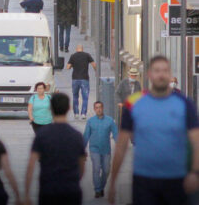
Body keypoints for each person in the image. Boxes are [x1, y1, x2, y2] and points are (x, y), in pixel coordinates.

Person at [108, 56, 199, 205]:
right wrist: (112, 182)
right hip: (144, 180)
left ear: (170, 74)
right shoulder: (133, 103)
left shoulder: (185, 103)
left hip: (176, 179)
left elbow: (196, 141)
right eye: (157, 71)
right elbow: (122, 144)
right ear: (149, 74)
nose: (161, 75)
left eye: (165, 71)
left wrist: (195, 173)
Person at [25, 93, 86, 205]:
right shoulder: (76, 135)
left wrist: (26, 194)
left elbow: (31, 165)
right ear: (69, 108)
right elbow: (82, 167)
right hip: (71, 190)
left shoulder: (42, 135)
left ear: (51, 108)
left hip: (48, 189)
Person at [83, 101, 118, 198]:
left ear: (103, 108)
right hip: (94, 149)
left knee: (106, 170)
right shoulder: (90, 121)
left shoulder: (110, 121)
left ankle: (102, 186)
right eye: (96, 108)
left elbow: (115, 134)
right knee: (96, 168)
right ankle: (97, 190)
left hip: (106, 150)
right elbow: (86, 135)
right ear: (94, 109)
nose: (99, 109)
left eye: (100, 107)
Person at [67, 44, 97, 120]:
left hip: (75, 79)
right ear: (82, 49)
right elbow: (94, 64)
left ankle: (76, 113)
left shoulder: (73, 56)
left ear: (76, 49)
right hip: (84, 79)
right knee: (85, 97)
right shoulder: (87, 55)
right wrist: (96, 71)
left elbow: (68, 67)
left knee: (75, 96)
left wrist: (72, 66)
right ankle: (83, 114)